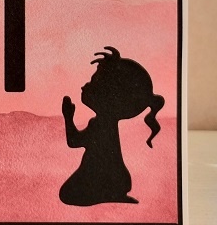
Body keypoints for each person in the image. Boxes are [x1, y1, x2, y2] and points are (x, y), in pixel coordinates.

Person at [60, 47, 164, 206]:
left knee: (67, 194)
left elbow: (73, 142)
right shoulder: (105, 123)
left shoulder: (101, 124)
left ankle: (107, 193)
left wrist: (68, 117)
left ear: (108, 95)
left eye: (93, 82)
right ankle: (112, 192)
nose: (84, 86)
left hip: (104, 178)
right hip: (115, 178)